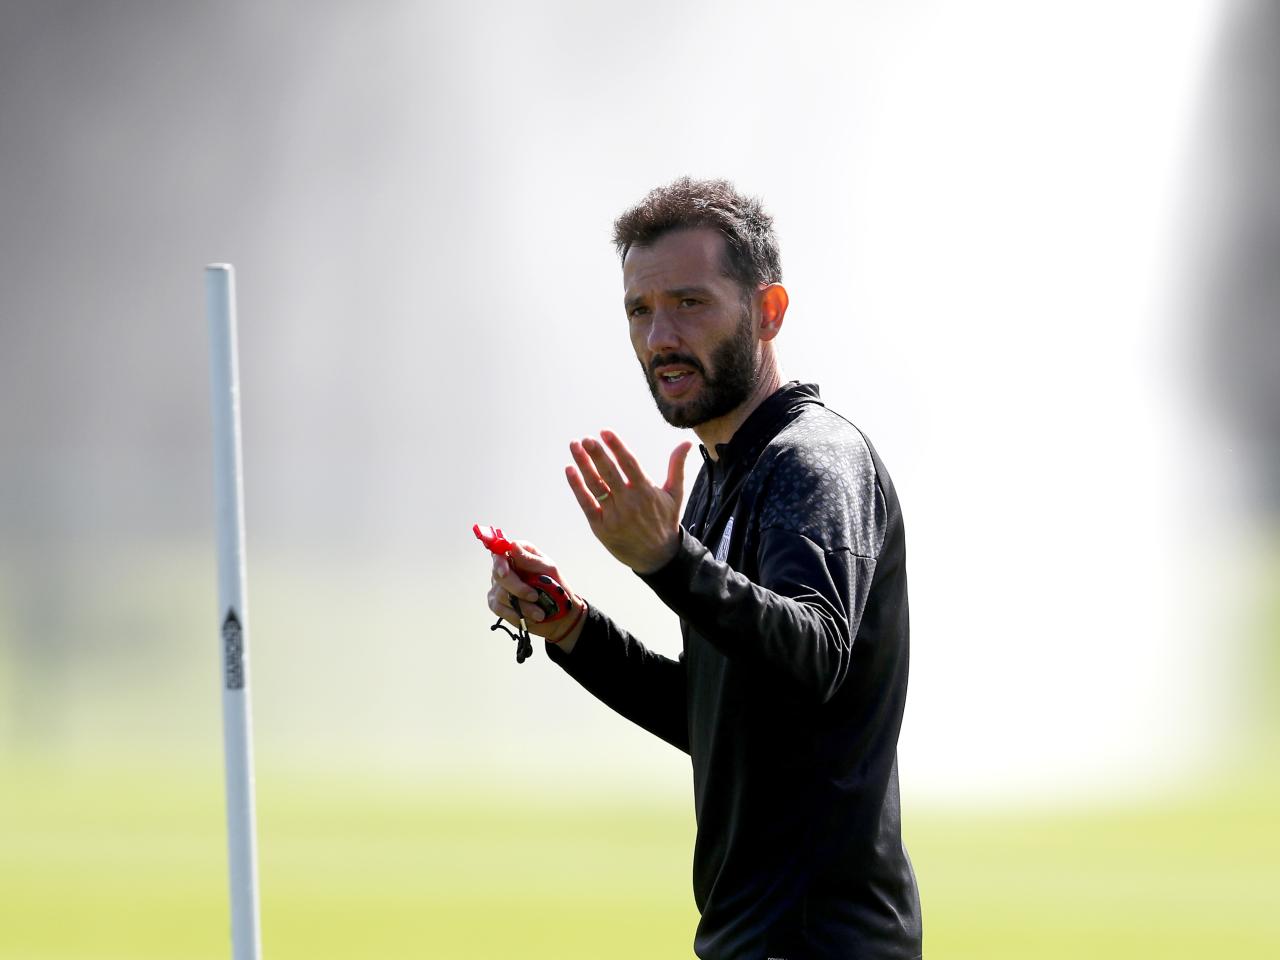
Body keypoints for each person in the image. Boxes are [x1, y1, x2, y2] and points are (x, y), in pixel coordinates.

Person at [486, 177, 922, 960]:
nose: (659, 337)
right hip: (751, 938)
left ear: (768, 312)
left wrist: (668, 561)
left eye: (690, 303)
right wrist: (572, 627)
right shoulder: (723, 475)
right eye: (639, 311)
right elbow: (716, 717)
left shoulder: (812, 463)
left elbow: (816, 654)